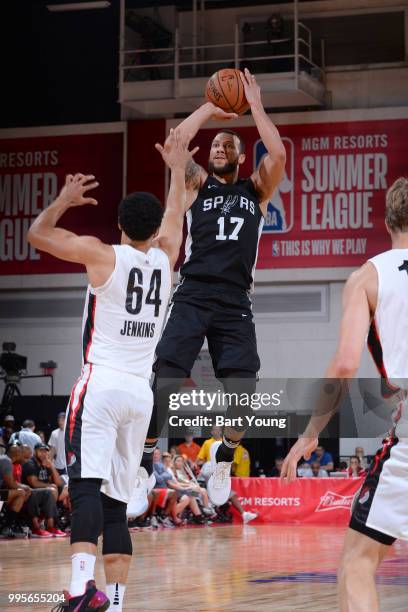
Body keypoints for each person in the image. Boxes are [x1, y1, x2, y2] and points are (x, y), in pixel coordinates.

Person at [27, 130, 195, 612]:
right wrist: (178, 170)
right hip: (140, 393)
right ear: (154, 231)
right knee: (118, 505)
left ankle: (81, 591)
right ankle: (115, 602)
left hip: (101, 383)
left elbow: (38, 234)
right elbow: (176, 214)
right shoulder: (166, 260)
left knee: (84, 490)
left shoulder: (102, 256)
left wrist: (61, 200)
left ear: (119, 224)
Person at [139, 67, 286, 507]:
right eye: (218, 144)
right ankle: (144, 462)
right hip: (193, 291)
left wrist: (254, 104)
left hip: (235, 300)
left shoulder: (255, 190)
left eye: (229, 145)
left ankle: (223, 454)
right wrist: (211, 105)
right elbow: (176, 144)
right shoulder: (196, 184)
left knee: (244, 391)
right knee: (163, 378)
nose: (221, 147)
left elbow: (277, 155)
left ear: (240, 158)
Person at [280, 177, 408, 612]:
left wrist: (312, 431)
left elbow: (345, 364)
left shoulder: (369, 276)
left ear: (388, 219)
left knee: (356, 561)